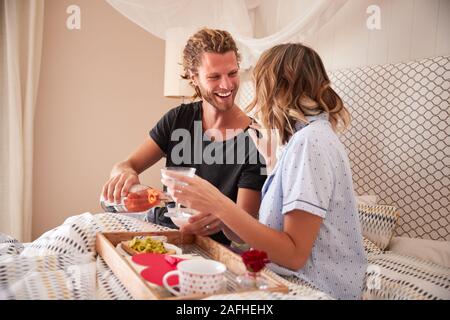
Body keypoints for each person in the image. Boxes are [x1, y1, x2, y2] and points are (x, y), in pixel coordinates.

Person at [161, 43, 368, 299]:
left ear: (279, 89)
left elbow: (293, 255)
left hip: (312, 287)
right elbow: (264, 236)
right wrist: (221, 214)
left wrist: (219, 202)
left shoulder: (311, 143)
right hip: (283, 277)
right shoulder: (301, 141)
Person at [101, 28, 267, 246]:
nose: (226, 85)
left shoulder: (257, 140)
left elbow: (244, 233)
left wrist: (222, 218)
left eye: (232, 73)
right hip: (161, 232)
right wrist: (124, 174)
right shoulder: (179, 118)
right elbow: (126, 165)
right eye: (214, 77)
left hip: (212, 247)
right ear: (193, 77)